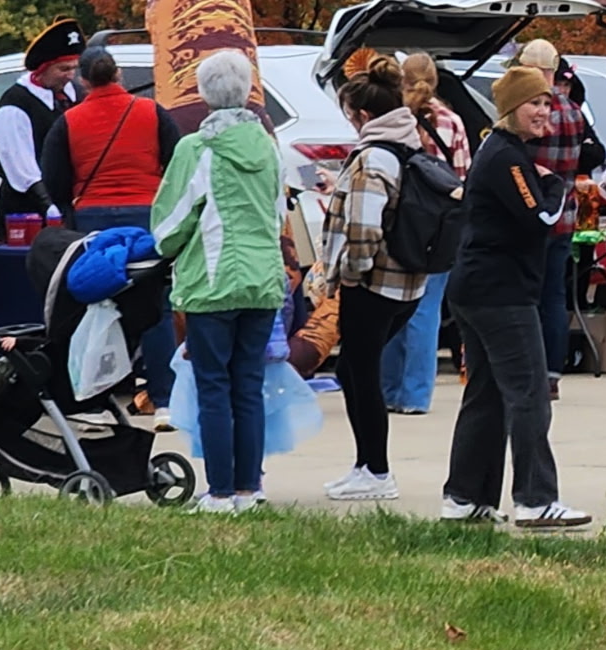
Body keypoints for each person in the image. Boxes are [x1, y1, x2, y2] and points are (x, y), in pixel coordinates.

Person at [440, 64, 592, 529]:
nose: (543, 111)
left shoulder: (502, 152)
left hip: (479, 288)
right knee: (529, 394)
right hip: (499, 294)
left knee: (486, 396)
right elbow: (540, 219)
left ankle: (465, 497)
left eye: (547, 102)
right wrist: (556, 186)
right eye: (534, 103)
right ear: (510, 109)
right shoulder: (506, 157)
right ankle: (535, 499)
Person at [151, 51, 285, 513]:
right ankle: (252, 488)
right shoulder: (268, 146)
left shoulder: (196, 149)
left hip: (212, 283)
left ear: (205, 94)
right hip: (262, 280)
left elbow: (171, 224)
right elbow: (278, 211)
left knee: (213, 387)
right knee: (248, 385)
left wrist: (164, 248)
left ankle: (221, 491)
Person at [308, 57, 427, 501]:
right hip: (408, 282)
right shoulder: (410, 145)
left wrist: (350, 277)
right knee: (363, 371)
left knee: (360, 375)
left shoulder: (372, 158)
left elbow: (363, 229)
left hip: (372, 284)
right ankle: (366, 466)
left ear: (361, 115)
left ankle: (375, 470)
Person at [40, 46, 183, 414]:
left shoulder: (69, 122)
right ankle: (163, 397)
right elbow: (177, 161)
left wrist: (73, 208)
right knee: (156, 308)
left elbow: (54, 178)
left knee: (97, 305)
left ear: (83, 80)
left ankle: (98, 396)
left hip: (92, 221)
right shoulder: (151, 112)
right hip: (145, 217)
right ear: (118, 75)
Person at [379, 53, 471, 416]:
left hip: (399, 222)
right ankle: (416, 395)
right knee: (426, 310)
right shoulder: (452, 121)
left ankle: (386, 390)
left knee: (391, 307)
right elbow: (463, 176)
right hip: (440, 225)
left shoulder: (393, 118)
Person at [518, 39, 587, 390]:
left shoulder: (531, 111)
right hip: (566, 213)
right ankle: (552, 374)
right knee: (554, 296)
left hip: (531, 215)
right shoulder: (575, 112)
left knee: (527, 294)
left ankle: (529, 367)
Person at [0, 18, 84, 232]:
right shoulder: (15, 105)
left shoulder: (76, 95)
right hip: (28, 214)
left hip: (70, 205)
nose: (70, 75)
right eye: (63, 69)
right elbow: (21, 167)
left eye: (73, 68)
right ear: (43, 68)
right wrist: (49, 207)